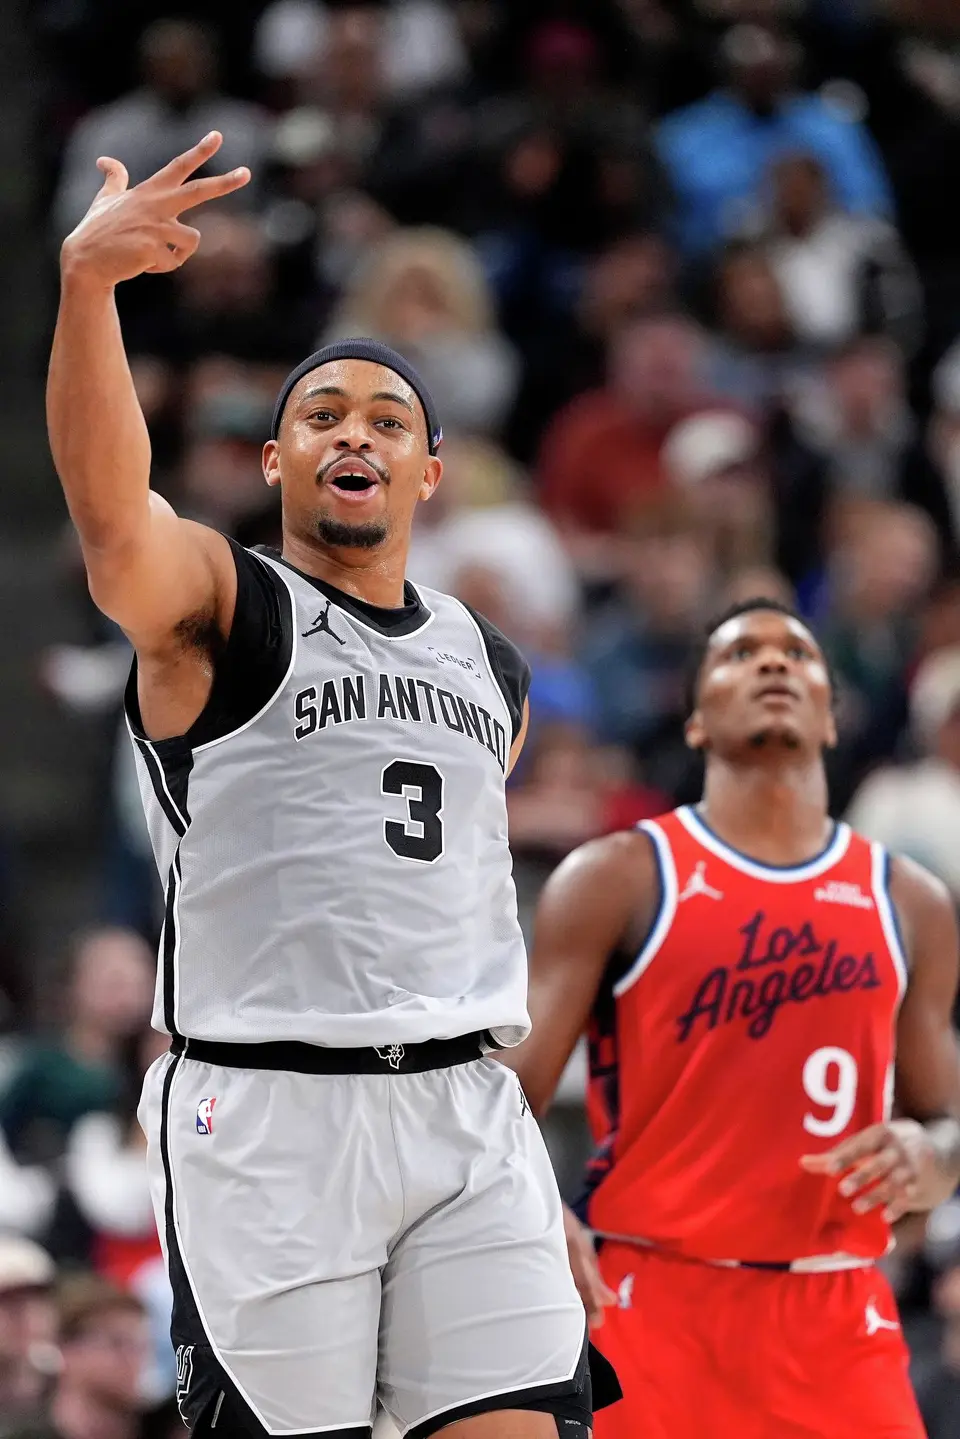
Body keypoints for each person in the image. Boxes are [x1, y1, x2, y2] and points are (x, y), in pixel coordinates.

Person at [46, 132, 616, 1439]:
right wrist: (91, 295)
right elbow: (112, 521)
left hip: (467, 1107)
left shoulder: (495, 660)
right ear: (276, 460)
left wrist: (535, 1169)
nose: (352, 430)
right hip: (271, 1113)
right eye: (322, 413)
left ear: (428, 472)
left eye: (386, 419)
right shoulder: (227, 606)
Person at [505, 596, 960, 1438]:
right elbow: (503, 1100)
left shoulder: (911, 901)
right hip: (653, 1299)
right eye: (739, 652)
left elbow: (947, 1128)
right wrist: (540, 1205)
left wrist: (926, 1155)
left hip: (838, 1303)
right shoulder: (619, 875)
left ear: (831, 715)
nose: (774, 662)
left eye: (798, 653)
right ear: (695, 723)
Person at [4, 1275, 151, 1439]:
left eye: (142, 1345)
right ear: (67, 1349)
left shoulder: (169, 1428)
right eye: (117, 1343)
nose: (134, 1357)